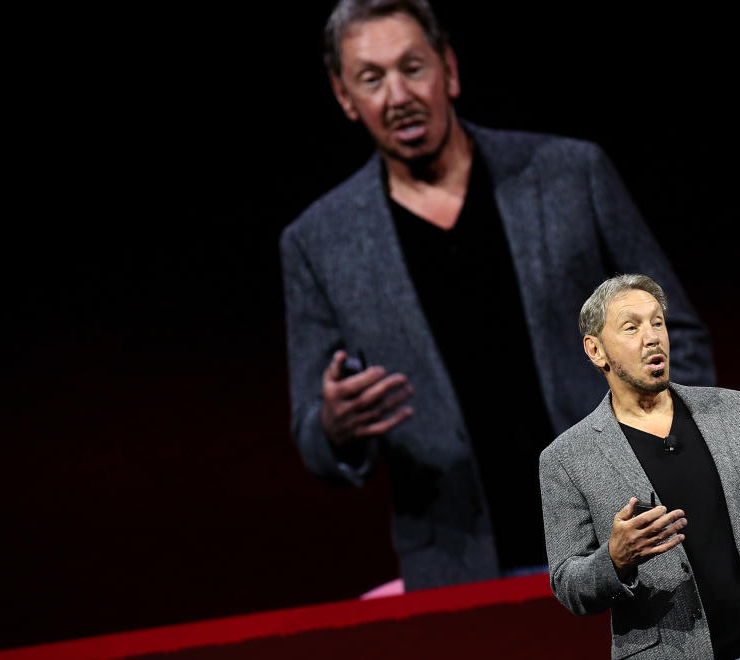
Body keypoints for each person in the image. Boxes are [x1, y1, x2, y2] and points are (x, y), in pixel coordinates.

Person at [280, 0, 716, 591]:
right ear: (344, 97)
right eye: (371, 78)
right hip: (461, 567)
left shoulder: (570, 174)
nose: (397, 95)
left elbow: (679, 334)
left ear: (449, 71)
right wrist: (334, 426)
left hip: (628, 530)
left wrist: (667, 446)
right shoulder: (318, 242)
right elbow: (313, 433)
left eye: (413, 68)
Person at [539, 274, 740, 660]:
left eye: (657, 322)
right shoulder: (567, 457)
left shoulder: (738, 412)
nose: (653, 336)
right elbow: (568, 584)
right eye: (632, 327)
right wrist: (615, 559)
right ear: (596, 350)